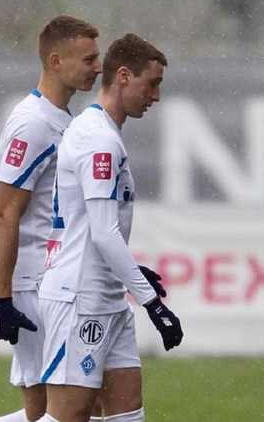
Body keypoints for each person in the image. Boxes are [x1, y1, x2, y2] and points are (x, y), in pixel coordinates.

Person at [36, 34, 183, 422]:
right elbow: (102, 232)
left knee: (127, 412)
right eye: (151, 84)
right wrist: (152, 302)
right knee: (70, 416)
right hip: (79, 297)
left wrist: (131, 277)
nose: (156, 96)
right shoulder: (98, 139)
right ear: (122, 76)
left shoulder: (103, 133)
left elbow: (98, 229)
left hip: (108, 296)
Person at [0, 15, 101, 422]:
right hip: (35, 286)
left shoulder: (62, 119)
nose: (97, 66)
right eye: (88, 59)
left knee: (79, 404)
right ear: (56, 61)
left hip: (58, 279)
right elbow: (6, 212)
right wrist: (1, 299)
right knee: (46, 409)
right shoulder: (33, 124)